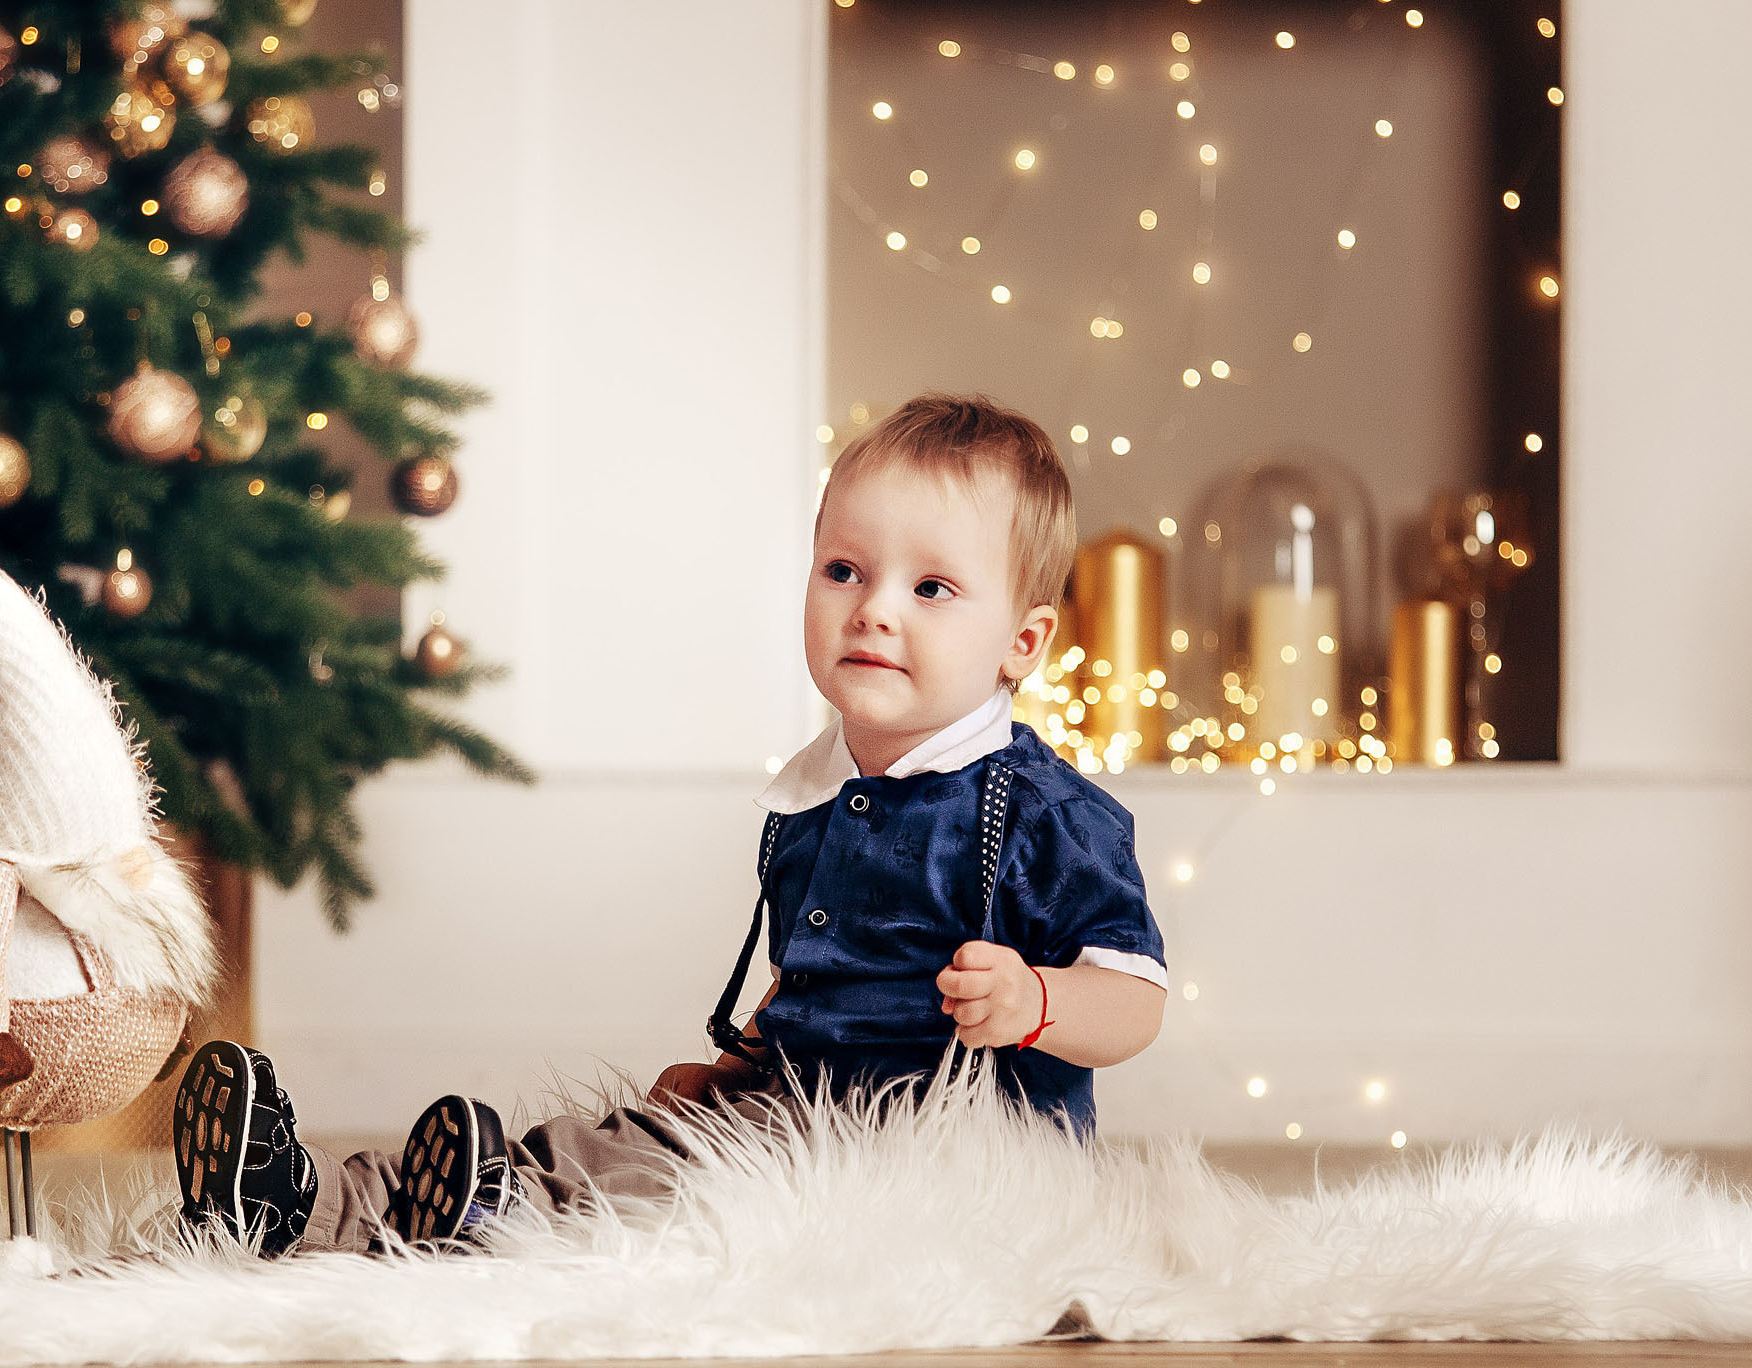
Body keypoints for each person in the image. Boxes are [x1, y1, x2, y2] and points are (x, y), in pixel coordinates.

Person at [173, 392, 1170, 1258]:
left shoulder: (1043, 815)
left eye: (931, 589)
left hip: (946, 1162)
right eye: (844, 572)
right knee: (613, 1139)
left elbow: (1133, 1003)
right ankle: (304, 1203)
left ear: (1022, 644)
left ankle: (468, 1211)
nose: (873, 611)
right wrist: (741, 1062)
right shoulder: (820, 795)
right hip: (800, 1114)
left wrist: (1037, 1002)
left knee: (662, 1182)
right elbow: (813, 979)